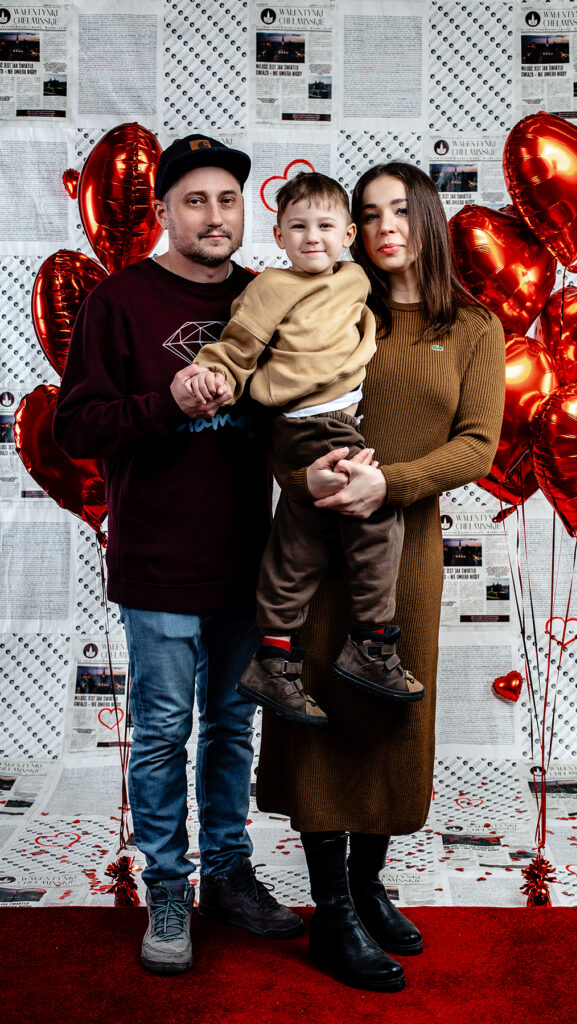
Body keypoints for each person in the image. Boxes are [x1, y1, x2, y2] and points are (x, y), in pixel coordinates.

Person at [53, 134, 304, 976]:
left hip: (248, 562)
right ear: (164, 211)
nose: (213, 216)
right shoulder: (118, 301)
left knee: (232, 727)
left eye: (227, 200)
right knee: (162, 732)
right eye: (194, 201)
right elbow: (76, 426)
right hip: (159, 562)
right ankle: (168, 885)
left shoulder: (268, 297)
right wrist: (167, 401)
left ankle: (227, 875)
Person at [256, 162, 506, 991]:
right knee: (320, 718)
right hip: (317, 549)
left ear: (428, 218)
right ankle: (331, 913)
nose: (384, 226)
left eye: (400, 210)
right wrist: (308, 481)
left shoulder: (472, 326)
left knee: (387, 718)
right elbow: (283, 422)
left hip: (408, 554)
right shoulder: (331, 306)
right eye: (367, 214)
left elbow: (475, 445)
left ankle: (366, 885)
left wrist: (386, 485)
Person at [188, 171, 423, 726]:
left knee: (299, 543)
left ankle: (273, 658)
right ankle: (371, 645)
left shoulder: (355, 277)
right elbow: (239, 343)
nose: (312, 238)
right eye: (297, 227)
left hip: (327, 421)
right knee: (375, 520)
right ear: (278, 235)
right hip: (315, 423)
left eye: (325, 226)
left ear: (348, 235)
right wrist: (212, 375)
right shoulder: (272, 287)